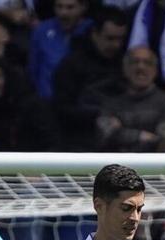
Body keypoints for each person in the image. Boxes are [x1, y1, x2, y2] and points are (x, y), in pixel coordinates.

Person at [53, 8, 130, 151]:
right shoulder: (72, 65)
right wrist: (98, 116)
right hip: (80, 144)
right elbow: (61, 109)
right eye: (110, 38)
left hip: (122, 143)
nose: (116, 45)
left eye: (120, 39)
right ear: (95, 34)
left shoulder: (126, 63)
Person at [81, 47, 165, 152]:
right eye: (135, 62)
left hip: (154, 162)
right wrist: (139, 136)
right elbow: (104, 135)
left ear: (155, 70)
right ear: (125, 69)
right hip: (118, 161)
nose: (140, 67)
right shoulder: (112, 104)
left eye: (147, 63)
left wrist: (119, 132)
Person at [28, 0, 91, 99]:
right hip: (46, 100)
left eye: (70, 7)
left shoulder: (92, 31)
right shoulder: (41, 30)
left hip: (81, 101)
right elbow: (33, 69)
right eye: (59, 6)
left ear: (83, 7)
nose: (63, 13)